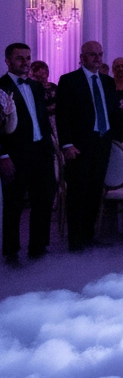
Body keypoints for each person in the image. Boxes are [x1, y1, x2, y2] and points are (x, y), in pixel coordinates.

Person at [56, 40, 118, 252]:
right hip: (79, 145)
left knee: (95, 191)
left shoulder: (108, 82)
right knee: (77, 192)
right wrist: (67, 143)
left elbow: (113, 112)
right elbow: (62, 115)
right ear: (82, 57)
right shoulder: (69, 80)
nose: (98, 58)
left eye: (100, 54)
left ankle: (90, 235)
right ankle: (76, 240)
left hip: (102, 142)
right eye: (92, 54)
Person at [0, 43, 55, 264]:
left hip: (40, 152)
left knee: (43, 201)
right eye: (20, 58)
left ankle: (38, 247)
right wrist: (2, 155)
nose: (25, 62)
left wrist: (50, 149)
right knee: (13, 204)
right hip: (14, 155)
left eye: (28, 57)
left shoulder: (35, 86)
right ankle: (11, 251)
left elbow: (42, 119)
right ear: (8, 61)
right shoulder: (1, 87)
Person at [29, 60, 57, 136]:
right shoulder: (33, 89)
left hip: (57, 120)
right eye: (39, 72)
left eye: (45, 72)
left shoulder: (54, 86)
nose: (43, 75)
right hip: (42, 121)